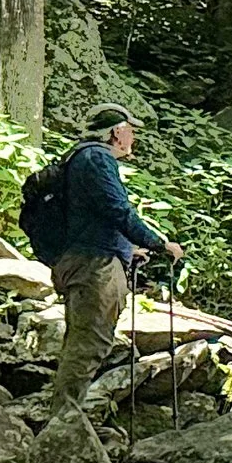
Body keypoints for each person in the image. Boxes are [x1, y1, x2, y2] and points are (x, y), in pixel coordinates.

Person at [47, 104, 183, 406]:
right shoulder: (97, 158)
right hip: (94, 267)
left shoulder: (79, 158)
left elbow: (93, 217)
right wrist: (160, 244)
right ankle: (64, 423)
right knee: (89, 344)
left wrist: (128, 248)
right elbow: (118, 210)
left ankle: (65, 415)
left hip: (81, 258)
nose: (133, 137)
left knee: (81, 341)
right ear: (117, 132)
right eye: (130, 130)